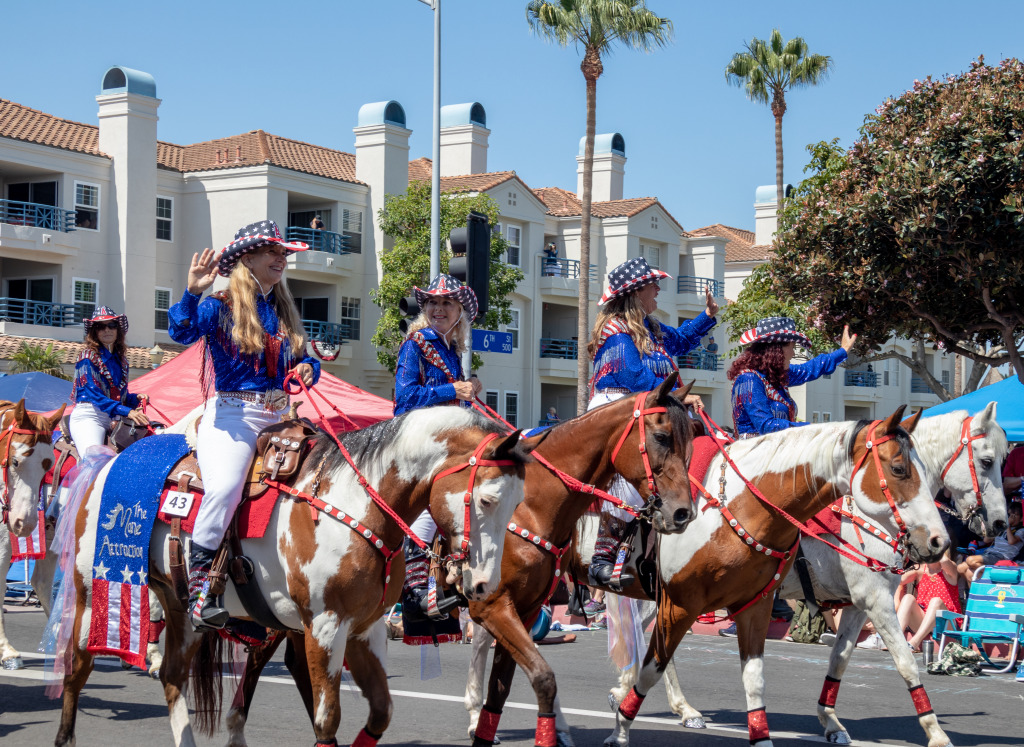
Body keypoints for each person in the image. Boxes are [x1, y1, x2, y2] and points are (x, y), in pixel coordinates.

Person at [168, 220, 319, 630]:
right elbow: (181, 331)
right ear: (246, 259)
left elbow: (308, 359)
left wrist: (308, 366)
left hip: (279, 417)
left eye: (284, 254)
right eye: (273, 252)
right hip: (233, 416)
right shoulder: (218, 305)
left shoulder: (282, 308)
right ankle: (199, 590)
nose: (281, 259)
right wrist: (193, 289)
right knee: (226, 487)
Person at [586, 257, 716, 589]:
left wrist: (707, 316)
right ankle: (602, 557)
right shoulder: (617, 332)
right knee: (634, 477)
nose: (658, 289)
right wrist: (677, 395)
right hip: (615, 406)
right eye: (652, 285)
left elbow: (682, 340)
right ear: (636, 292)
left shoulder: (651, 327)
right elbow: (634, 375)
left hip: (646, 406)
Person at [393, 273, 481, 628]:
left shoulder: (450, 349)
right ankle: (414, 590)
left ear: (459, 311)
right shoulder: (416, 343)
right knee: (430, 510)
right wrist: (453, 391)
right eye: (432, 302)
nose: (438, 308)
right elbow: (404, 399)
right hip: (418, 441)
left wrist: (467, 390)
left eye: (446, 302)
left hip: (444, 439)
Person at [729, 317, 857, 438]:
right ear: (776, 351)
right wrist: (812, 428)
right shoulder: (749, 379)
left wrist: (843, 351)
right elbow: (766, 426)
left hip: (777, 451)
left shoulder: (775, 375)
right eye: (792, 347)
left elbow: (809, 369)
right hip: (752, 456)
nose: (793, 354)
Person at [68, 307, 149, 453]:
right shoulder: (87, 356)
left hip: (114, 416)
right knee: (93, 458)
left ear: (118, 330)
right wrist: (128, 412)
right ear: (94, 332)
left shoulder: (121, 361)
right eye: (100, 327)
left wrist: (134, 398)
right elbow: (94, 395)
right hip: (90, 415)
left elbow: (119, 395)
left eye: (111, 325)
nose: (107, 330)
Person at [895, 551, 963, 652]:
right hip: (923, 621)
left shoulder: (949, 569)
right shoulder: (920, 569)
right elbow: (898, 580)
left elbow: (944, 560)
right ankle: (896, 641)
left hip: (948, 622)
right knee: (908, 598)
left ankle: (914, 642)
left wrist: (937, 546)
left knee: (936, 601)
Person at [958, 500, 1024, 581]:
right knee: (961, 568)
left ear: (1021, 518)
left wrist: (1008, 525)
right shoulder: (1002, 528)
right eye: (1009, 514)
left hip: (1002, 557)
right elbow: (986, 540)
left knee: (970, 560)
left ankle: (997, 573)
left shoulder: (1021, 530)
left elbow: (1011, 541)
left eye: (1015, 515)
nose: (1011, 517)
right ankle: (972, 592)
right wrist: (996, 527)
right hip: (990, 553)